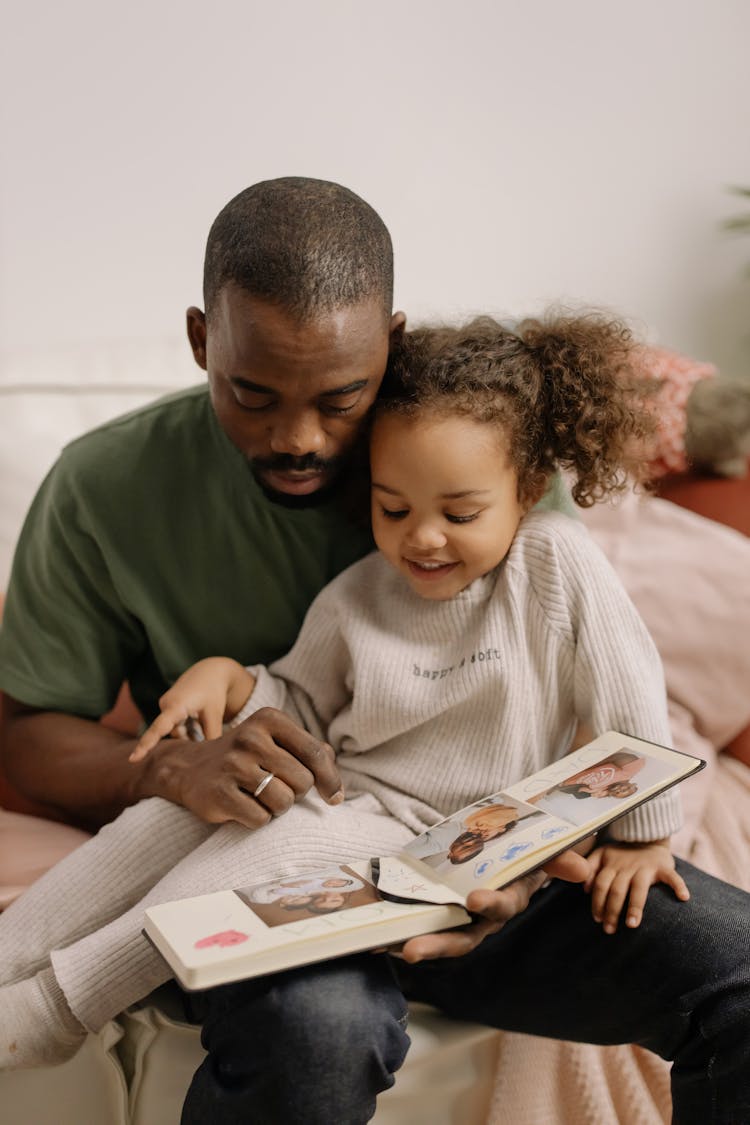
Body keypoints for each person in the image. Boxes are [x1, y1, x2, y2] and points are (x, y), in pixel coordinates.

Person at [2, 316, 749, 1125]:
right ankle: (9, 962)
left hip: (452, 839)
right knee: (156, 827)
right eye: (393, 508)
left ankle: (49, 1011)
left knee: (225, 874)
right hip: (361, 813)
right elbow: (299, 701)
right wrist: (234, 682)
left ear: (528, 490)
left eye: (459, 514)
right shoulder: (358, 594)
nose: (422, 537)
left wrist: (642, 830)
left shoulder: (554, 560)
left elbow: (629, 694)